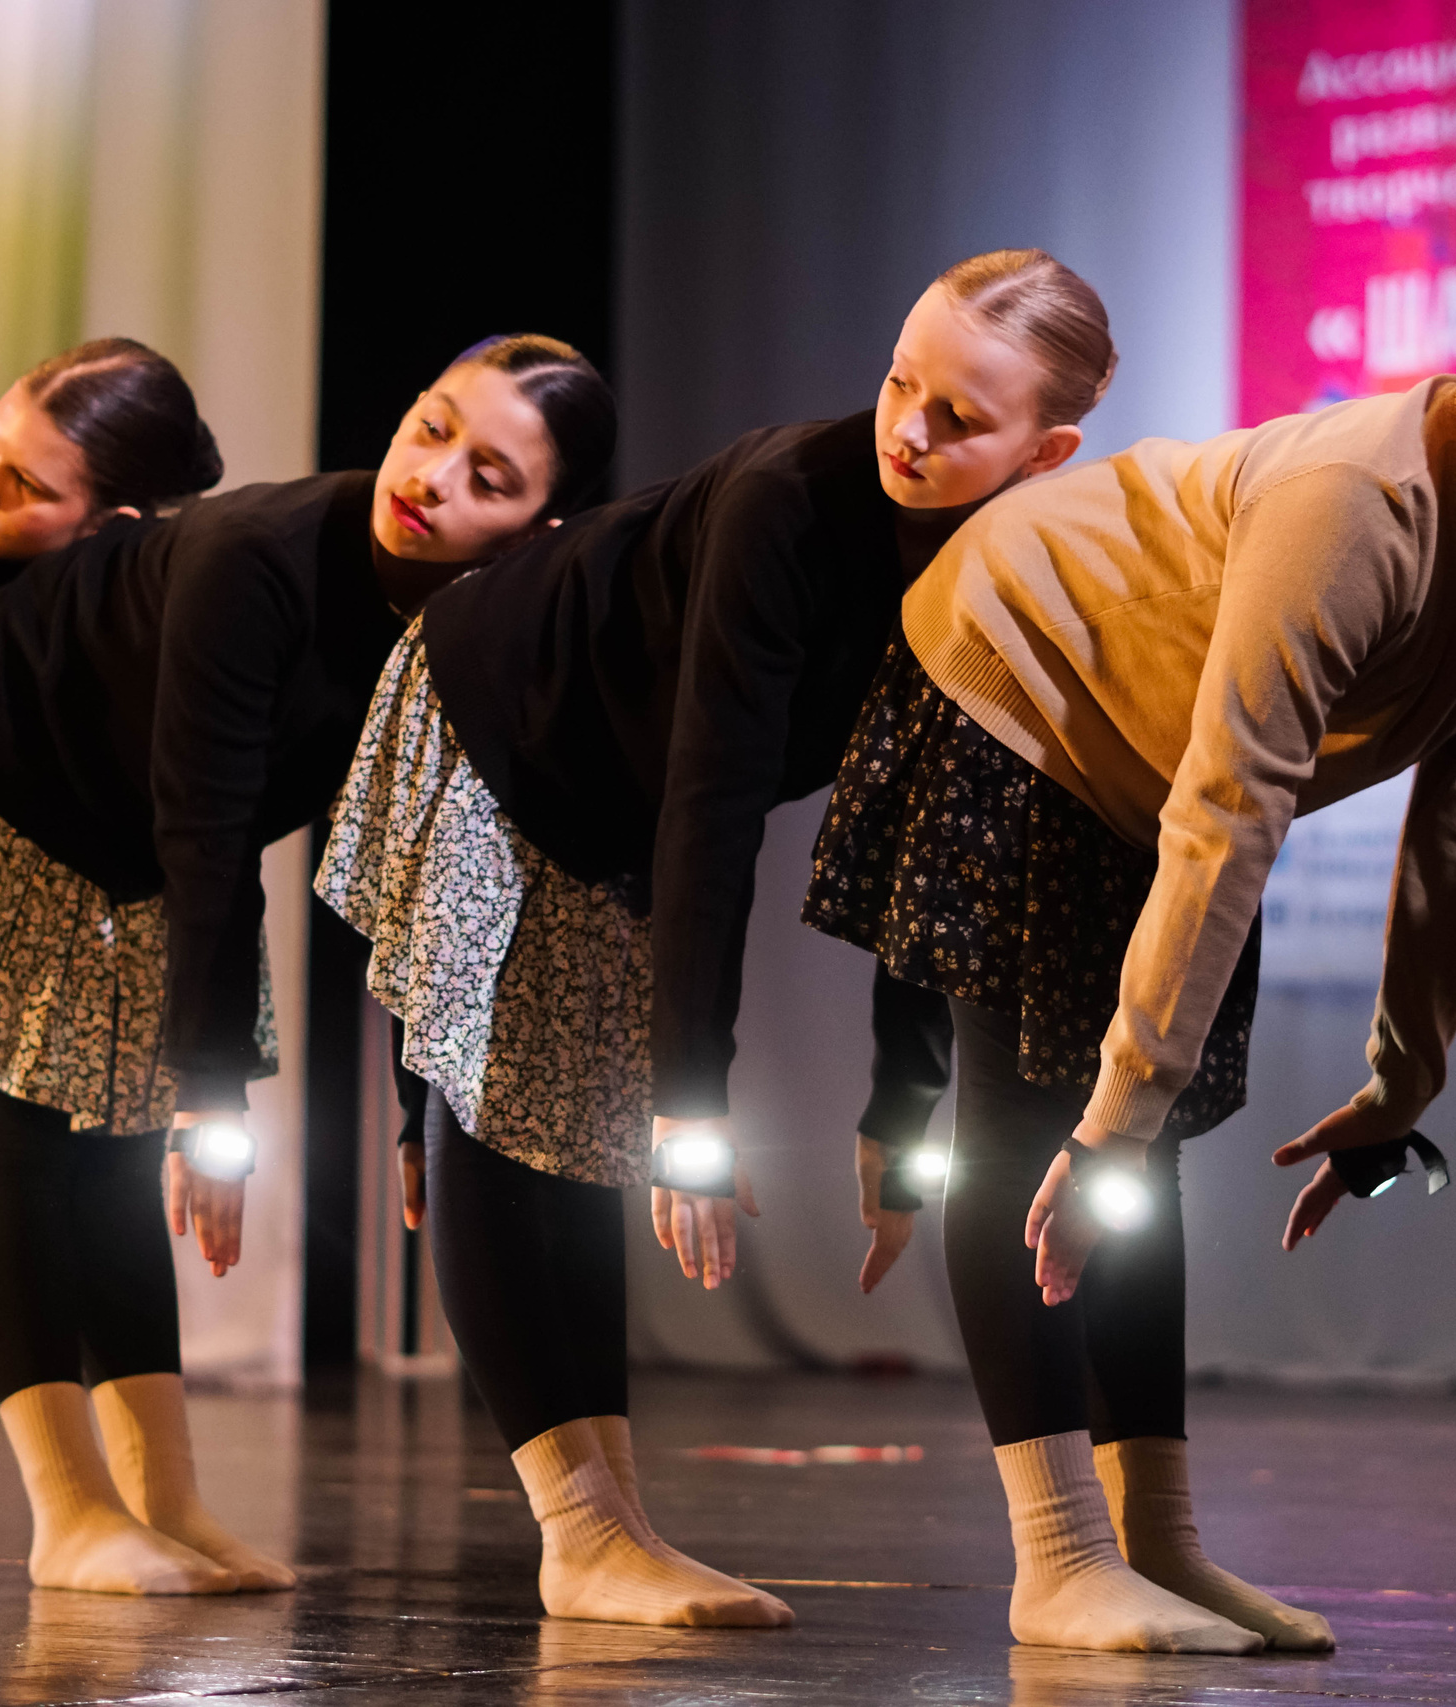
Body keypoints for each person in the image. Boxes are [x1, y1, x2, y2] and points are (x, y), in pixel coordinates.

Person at [808, 211, 1456, 1653]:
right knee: (1045, 1131)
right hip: (1018, 670)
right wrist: (1117, 1100)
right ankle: (1058, 1555)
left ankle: (1156, 1541)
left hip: (1146, 768)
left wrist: (1402, 1076)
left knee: (1138, 1153)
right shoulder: (1359, 496)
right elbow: (1233, 804)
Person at [316, 250, 1104, 1630]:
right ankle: (581, 1527)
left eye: (960, 420)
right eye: (899, 383)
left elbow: (915, 832)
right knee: (518, 1109)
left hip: (617, 798)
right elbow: (717, 798)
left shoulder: (1007, 563)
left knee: (573, 1122)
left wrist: (898, 1101)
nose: (906, 432)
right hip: (497, 706)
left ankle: (611, 1525)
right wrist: (693, 1093)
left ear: (1049, 449)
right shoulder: (787, 503)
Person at [0, 333, 611, 1597]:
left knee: (114, 1155)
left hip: (154, 836)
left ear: (544, 521)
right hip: (8, 762)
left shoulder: (471, 626)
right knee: (29, 1135)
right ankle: (69, 1514)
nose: (430, 475)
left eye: (490, 476)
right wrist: (211, 1092)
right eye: (433, 426)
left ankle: (164, 1503)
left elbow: (412, 871)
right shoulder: (252, 556)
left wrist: (411, 1112)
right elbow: (207, 827)